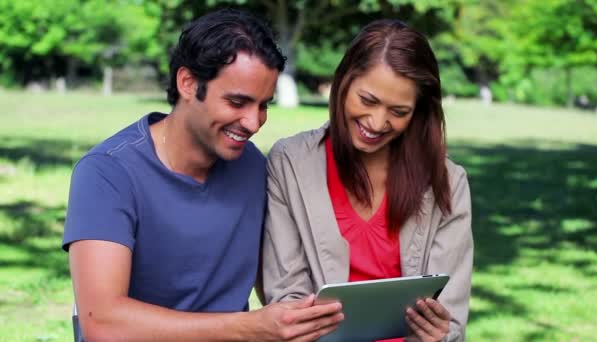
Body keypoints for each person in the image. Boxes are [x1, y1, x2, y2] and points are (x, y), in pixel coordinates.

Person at [62, 9, 343, 341]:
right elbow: (103, 324)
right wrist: (250, 327)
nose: (253, 123)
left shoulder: (252, 166)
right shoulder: (107, 173)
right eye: (238, 102)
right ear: (188, 83)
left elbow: (276, 284)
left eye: (263, 105)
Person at [262, 19, 473, 342]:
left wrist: (440, 335)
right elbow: (285, 293)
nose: (377, 122)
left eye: (399, 111)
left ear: (417, 111)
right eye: (368, 100)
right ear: (343, 81)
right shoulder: (290, 162)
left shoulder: (448, 182)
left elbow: (451, 317)